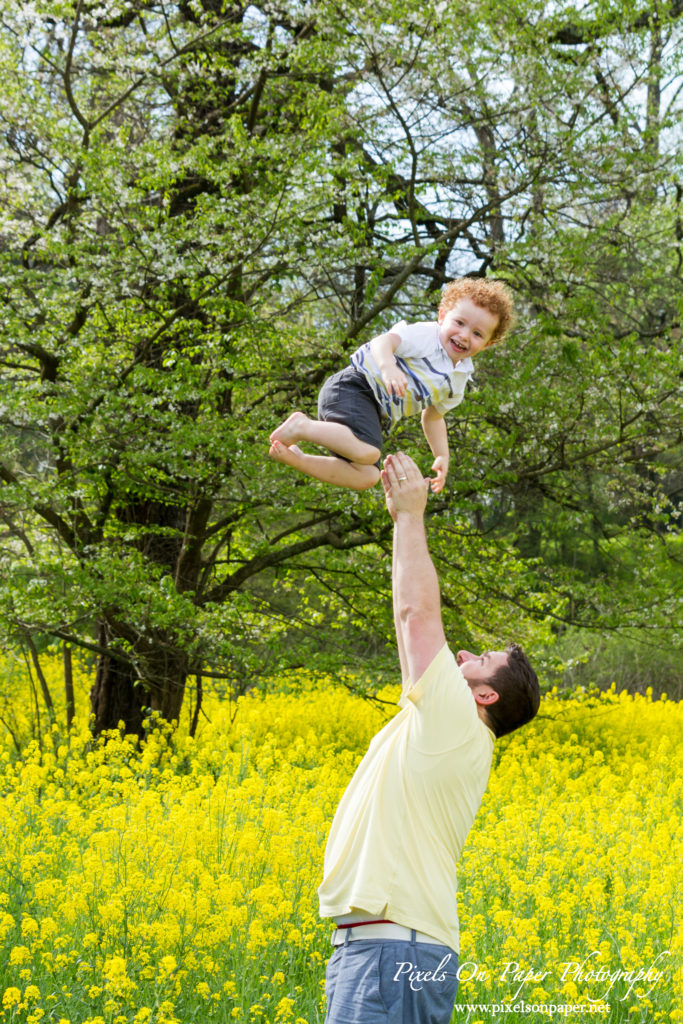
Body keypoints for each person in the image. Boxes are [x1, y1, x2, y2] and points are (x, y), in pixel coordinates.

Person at [317, 451, 540, 1024]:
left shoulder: (458, 724)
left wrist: (409, 515)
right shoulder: (443, 728)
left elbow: (417, 615)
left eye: (480, 659)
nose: (463, 654)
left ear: (486, 695)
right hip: (387, 949)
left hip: (393, 952)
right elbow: (404, 627)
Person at [269, 278, 514, 492]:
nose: (463, 335)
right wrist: (388, 367)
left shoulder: (458, 380)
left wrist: (442, 455)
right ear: (442, 316)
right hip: (354, 386)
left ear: (487, 344)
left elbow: (433, 418)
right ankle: (301, 426)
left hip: (372, 412)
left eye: (477, 334)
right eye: (459, 323)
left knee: (367, 476)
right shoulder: (427, 337)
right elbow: (382, 341)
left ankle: (298, 459)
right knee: (370, 452)